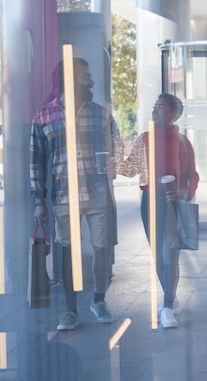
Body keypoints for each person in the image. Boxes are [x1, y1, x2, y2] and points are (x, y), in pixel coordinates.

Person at [30, 58, 122, 330]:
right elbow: (36, 162)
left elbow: (116, 145)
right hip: (63, 196)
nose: (90, 79)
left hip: (97, 192)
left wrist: (113, 160)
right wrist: (39, 201)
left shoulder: (101, 113)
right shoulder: (43, 116)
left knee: (102, 248)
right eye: (85, 75)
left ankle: (98, 300)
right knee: (68, 253)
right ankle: (70, 310)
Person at [118, 93, 199, 329]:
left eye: (160, 108)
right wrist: (113, 162)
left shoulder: (182, 142)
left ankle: (166, 306)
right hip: (150, 201)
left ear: (173, 114)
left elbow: (192, 175)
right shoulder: (144, 139)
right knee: (158, 254)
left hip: (173, 201)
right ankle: (170, 298)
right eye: (154, 107)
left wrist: (184, 191)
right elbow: (131, 168)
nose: (154, 111)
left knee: (169, 254)